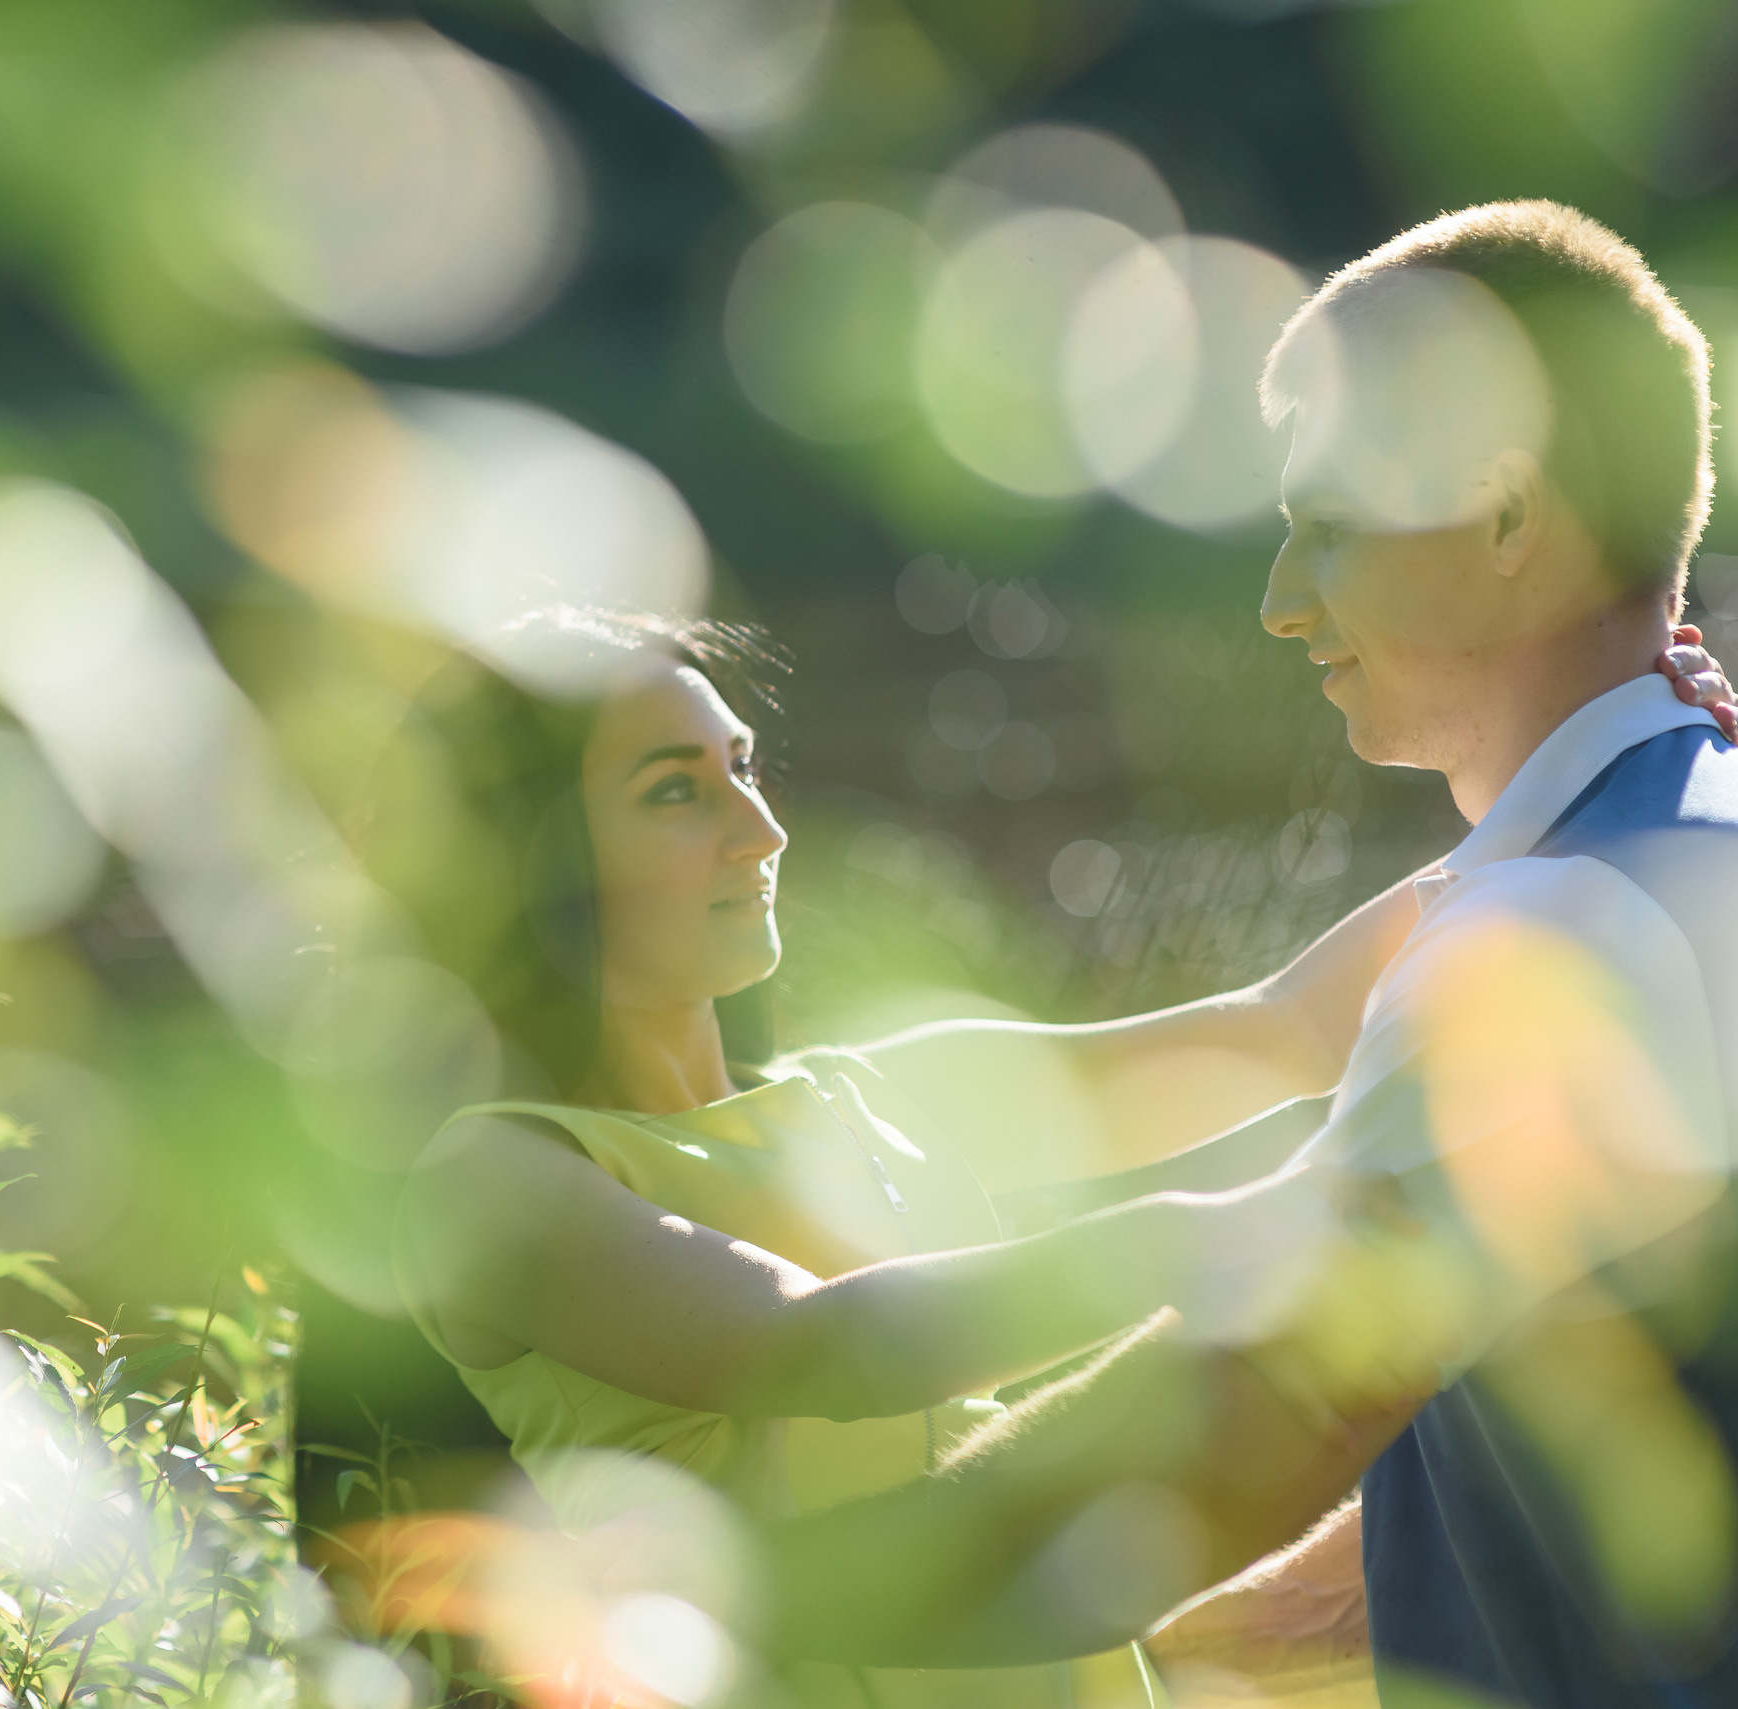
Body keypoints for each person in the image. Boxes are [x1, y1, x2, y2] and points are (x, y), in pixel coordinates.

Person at [736, 201, 1738, 1709]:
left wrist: (709, 1603)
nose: (1280, 602)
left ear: (1512, 519)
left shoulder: (1555, 934)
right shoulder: (1658, 839)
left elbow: (1264, 1399)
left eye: (1328, 527)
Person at [370, 599, 1727, 1707]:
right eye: (680, 790)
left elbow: (1281, 1027)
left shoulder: (871, 1092)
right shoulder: (496, 1179)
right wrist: (1233, 1230)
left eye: (745, 768)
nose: (762, 830)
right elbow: (815, 1345)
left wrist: (1619, 745)